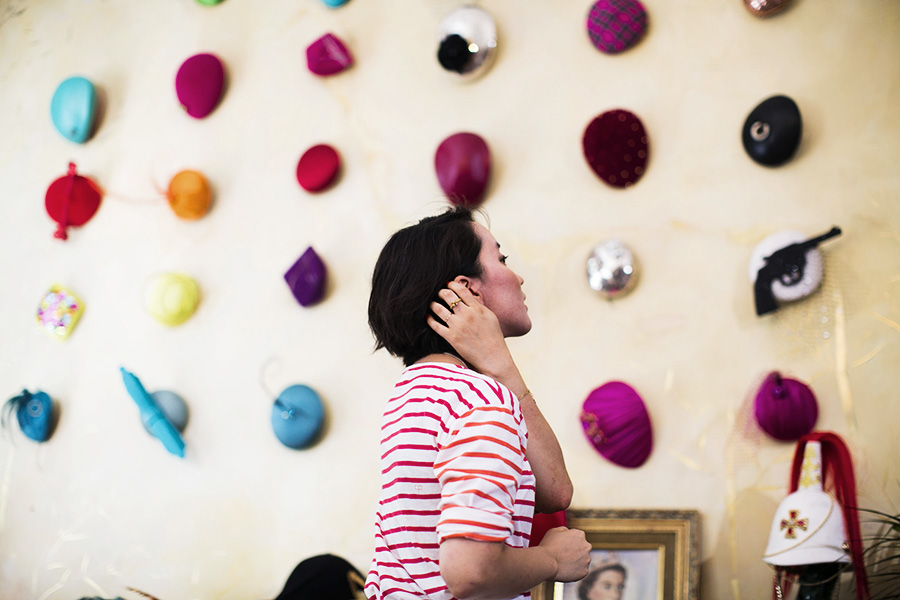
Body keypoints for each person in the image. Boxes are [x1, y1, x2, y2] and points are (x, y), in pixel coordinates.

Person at [364, 207, 592, 600]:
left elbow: (554, 492)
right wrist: (553, 560)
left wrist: (500, 364)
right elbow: (471, 572)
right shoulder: (476, 400)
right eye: (502, 259)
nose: (518, 277)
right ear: (466, 290)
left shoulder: (410, 393)